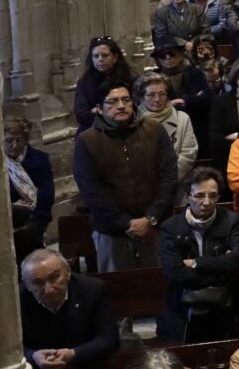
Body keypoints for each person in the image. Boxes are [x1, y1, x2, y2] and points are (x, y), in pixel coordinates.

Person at [73, 80, 178, 271]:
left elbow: (169, 178)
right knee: (118, 290)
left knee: (160, 287)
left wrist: (151, 218)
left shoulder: (154, 130)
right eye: (112, 102)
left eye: (126, 100)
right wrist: (126, 223)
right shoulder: (87, 140)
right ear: (99, 108)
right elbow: (91, 191)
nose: (121, 106)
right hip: (111, 231)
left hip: (154, 226)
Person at [153, 166, 239, 345]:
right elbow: (174, 272)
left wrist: (196, 263)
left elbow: (235, 263)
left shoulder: (231, 220)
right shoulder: (171, 227)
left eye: (213, 195)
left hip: (226, 305)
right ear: (188, 196)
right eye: (199, 195)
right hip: (183, 307)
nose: (206, 202)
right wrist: (218, 271)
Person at [18, 247, 117, 369]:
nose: (49, 290)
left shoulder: (93, 290)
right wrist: (33, 356)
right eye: (37, 283)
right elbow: (6, 347)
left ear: (68, 272)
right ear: (27, 284)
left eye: (54, 278)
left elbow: (109, 338)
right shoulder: (16, 300)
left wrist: (73, 354)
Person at [4, 116, 56, 251]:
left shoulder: (39, 160)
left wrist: (35, 221)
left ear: (26, 140)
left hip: (34, 218)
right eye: (9, 140)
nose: (14, 145)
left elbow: (46, 196)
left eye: (19, 140)